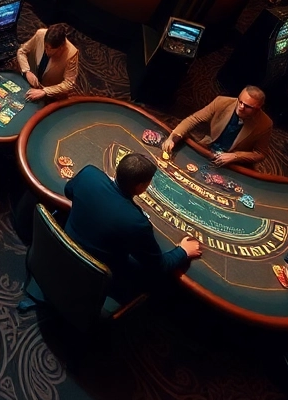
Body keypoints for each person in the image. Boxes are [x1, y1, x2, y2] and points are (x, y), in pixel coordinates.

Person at [61, 153, 202, 299]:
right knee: (159, 282)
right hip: (96, 279)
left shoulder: (89, 174)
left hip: (61, 252)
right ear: (140, 186)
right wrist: (184, 251)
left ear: (117, 170)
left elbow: (68, 191)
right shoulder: (136, 222)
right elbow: (158, 267)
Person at [161, 85, 272, 168]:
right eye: (240, 101)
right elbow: (193, 119)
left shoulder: (265, 124)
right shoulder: (221, 102)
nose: (241, 107)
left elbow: (260, 154)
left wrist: (235, 156)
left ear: (258, 108)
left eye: (247, 106)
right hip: (208, 147)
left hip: (231, 161)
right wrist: (173, 137)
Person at [14, 22, 79, 102]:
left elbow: (69, 83)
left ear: (61, 47)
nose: (46, 51)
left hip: (49, 91)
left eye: (50, 49)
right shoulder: (40, 34)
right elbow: (22, 51)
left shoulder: (71, 54)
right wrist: (27, 71)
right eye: (45, 46)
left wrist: (45, 91)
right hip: (30, 79)